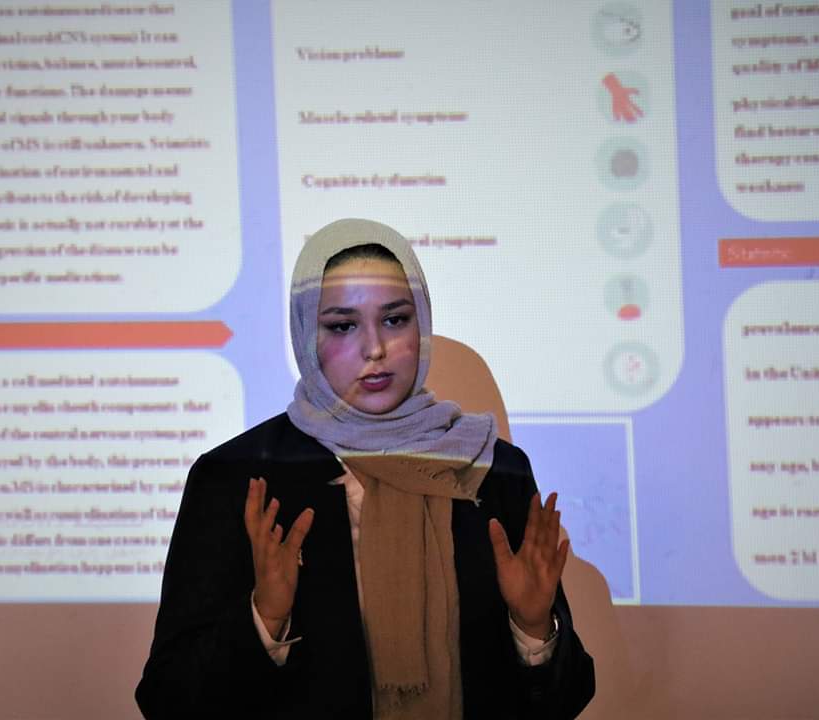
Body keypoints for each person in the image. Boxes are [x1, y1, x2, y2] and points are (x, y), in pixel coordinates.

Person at [135, 218, 594, 719]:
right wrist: (263, 621)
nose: (375, 348)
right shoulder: (237, 477)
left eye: (395, 319)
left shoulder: (492, 468)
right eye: (342, 325)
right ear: (306, 335)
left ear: (421, 325)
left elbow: (563, 699)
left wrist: (533, 630)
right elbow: (168, 699)